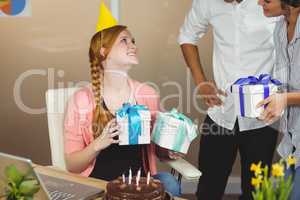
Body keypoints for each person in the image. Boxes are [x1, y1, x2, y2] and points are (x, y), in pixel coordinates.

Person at [178, 0, 279, 199]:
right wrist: (201, 82)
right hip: (221, 113)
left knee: (256, 192)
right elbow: (187, 36)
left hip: (262, 115)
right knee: (208, 188)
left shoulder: (270, 3)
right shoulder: (206, 2)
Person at [63, 25, 180, 196]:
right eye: (124, 41)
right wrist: (98, 144)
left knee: (169, 182)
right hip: (100, 187)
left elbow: (159, 151)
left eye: (133, 41)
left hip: (141, 186)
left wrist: (170, 148)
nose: (133, 46)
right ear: (103, 52)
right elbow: (72, 166)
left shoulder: (147, 94)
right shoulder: (82, 99)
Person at [257, 0, 300, 199]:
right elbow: (285, 82)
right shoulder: (280, 29)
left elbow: (287, 95)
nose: (259, 2)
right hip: (291, 143)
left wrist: (285, 99)